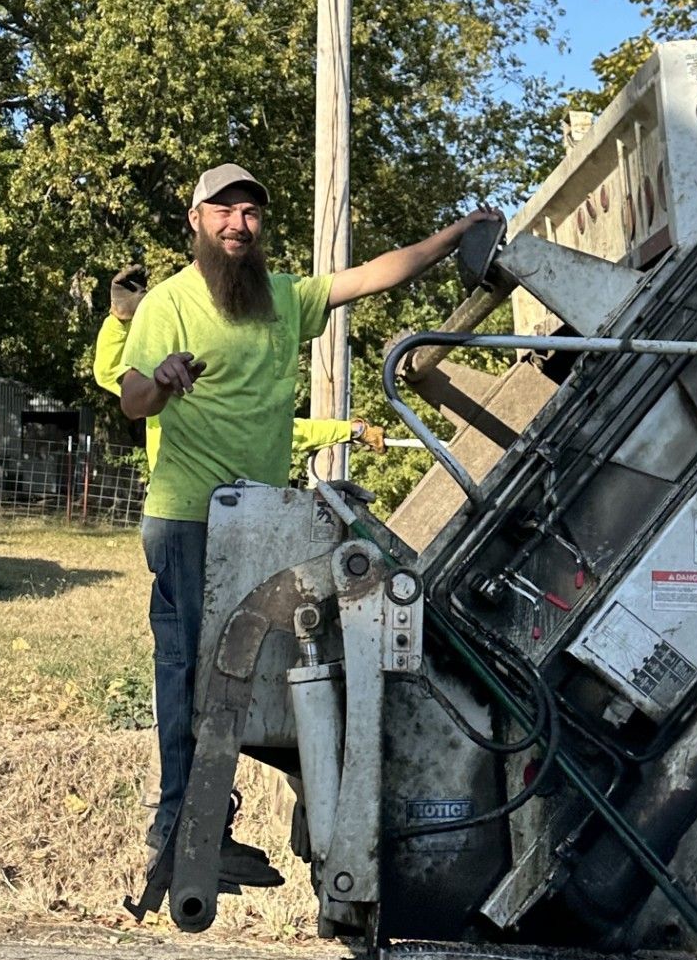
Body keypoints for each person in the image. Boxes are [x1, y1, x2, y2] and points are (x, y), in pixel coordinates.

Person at [117, 161, 501, 884]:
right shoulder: (168, 302)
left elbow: (376, 275)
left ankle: (295, 815)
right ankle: (178, 832)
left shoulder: (282, 298)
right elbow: (131, 399)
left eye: (250, 213)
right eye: (222, 211)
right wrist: (162, 382)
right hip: (189, 521)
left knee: (274, 666)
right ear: (195, 221)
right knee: (191, 674)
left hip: (259, 523)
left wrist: (455, 235)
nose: (237, 223)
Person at [93, 265, 385, 474]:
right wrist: (119, 321)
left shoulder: (241, 396)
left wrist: (348, 430)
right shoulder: (164, 382)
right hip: (181, 509)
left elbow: (285, 432)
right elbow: (111, 374)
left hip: (239, 505)